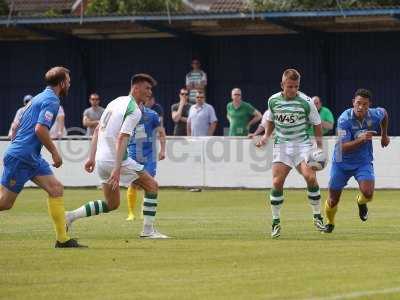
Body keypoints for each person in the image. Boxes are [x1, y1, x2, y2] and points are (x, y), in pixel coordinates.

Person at [65, 73, 169, 239]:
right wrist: (117, 168)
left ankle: (70, 216)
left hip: (101, 159)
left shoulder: (115, 102)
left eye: (151, 89)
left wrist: (91, 157)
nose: (150, 92)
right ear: (135, 88)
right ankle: (148, 231)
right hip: (115, 160)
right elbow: (122, 137)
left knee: (111, 204)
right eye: (147, 88)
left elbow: (98, 129)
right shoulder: (134, 110)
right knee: (152, 186)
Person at [0, 66, 84, 248]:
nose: (69, 84)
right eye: (68, 81)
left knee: (56, 189)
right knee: (5, 203)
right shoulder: (52, 101)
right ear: (62, 83)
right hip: (22, 157)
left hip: (29, 156)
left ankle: (62, 240)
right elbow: (40, 129)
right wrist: (54, 151)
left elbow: (17, 127)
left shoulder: (38, 97)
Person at [256, 68, 325, 238]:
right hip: (282, 146)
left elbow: (317, 124)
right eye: (289, 86)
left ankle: (317, 216)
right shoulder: (273, 101)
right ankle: (275, 222)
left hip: (303, 145)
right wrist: (265, 136)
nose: (293, 90)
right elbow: (271, 120)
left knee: (310, 178)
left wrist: (319, 147)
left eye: (296, 86)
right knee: (277, 182)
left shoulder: (306, 101)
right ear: (282, 85)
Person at [324, 89, 389, 233]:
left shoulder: (374, 114)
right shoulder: (344, 120)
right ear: (353, 102)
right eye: (358, 103)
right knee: (333, 199)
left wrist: (384, 135)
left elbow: (384, 113)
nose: (361, 107)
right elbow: (343, 147)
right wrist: (362, 139)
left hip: (362, 161)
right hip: (341, 162)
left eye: (365, 104)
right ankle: (330, 222)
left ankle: (361, 202)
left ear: (369, 105)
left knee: (368, 193)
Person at [126, 98, 166, 221]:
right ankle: (131, 213)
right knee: (134, 182)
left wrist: (163, 150)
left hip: (149, 153)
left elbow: (161, 132)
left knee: (149, 182)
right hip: (133, 151)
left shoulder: (152, 115)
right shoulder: (127, 114)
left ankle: (145, 210)